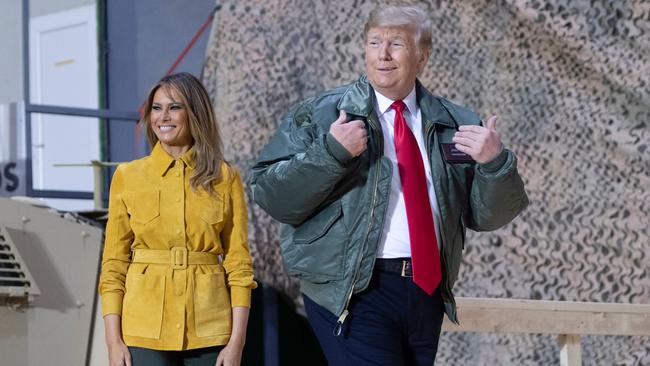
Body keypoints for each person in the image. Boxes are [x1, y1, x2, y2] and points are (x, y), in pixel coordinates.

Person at [250, 3, 528, 365]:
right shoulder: (321, 115)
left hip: (425, 291)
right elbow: (272, 196)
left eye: (396, 44)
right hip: (354, 290)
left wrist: (495, 163)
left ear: (421, 57)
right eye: (374, 42)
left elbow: (487, 217)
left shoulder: (454, 123)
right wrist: (331, 152)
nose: (382, 54)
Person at [99, 72, 256, 366]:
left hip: (210, 327)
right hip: (142, 328)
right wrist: (112, 341)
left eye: (175, 107)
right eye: (157, 108)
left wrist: (237, 342)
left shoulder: (225, 177)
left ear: (194, 112)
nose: (163, 117)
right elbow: (114, 265)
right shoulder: (128, 176)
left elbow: (239, 265)